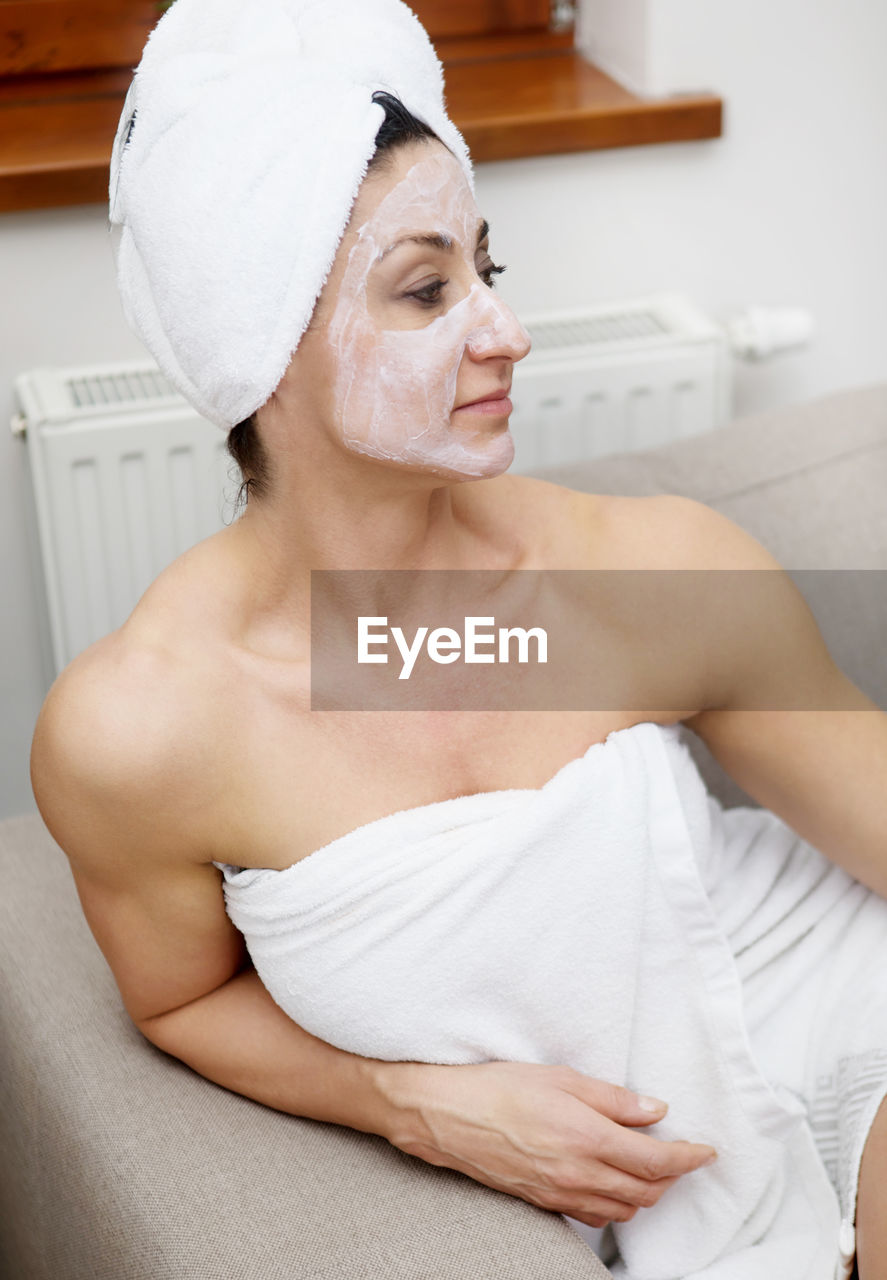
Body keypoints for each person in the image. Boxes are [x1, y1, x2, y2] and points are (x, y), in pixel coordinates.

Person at [29, 1, 887, 1276]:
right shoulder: (141, 730)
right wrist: (408, 1102)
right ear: (256, 344)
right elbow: (179, 998)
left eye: (488, 268)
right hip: (658, 1166)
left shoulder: (641, 572)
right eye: (425, 287)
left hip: (838, 1012)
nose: (503, 329)